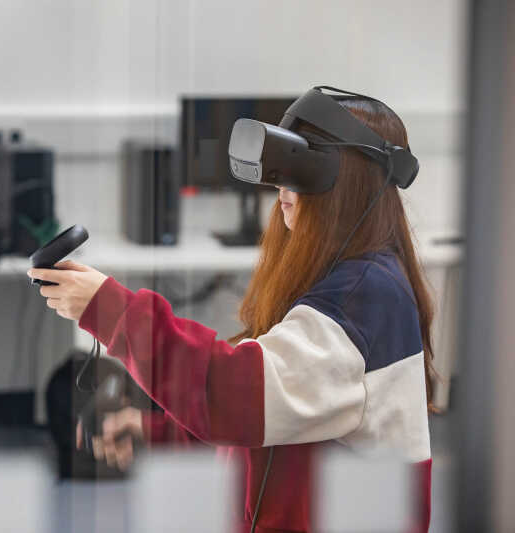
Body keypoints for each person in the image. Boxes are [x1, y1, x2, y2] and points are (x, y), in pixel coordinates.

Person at [29, 91, 435, 532]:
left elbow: (237, 396)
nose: (281, 186)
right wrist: (152, 429)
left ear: (346, 182)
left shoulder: (363, 297)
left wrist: (108, 309)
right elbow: (277, 413)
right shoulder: (350, 280)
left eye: (301, 165)